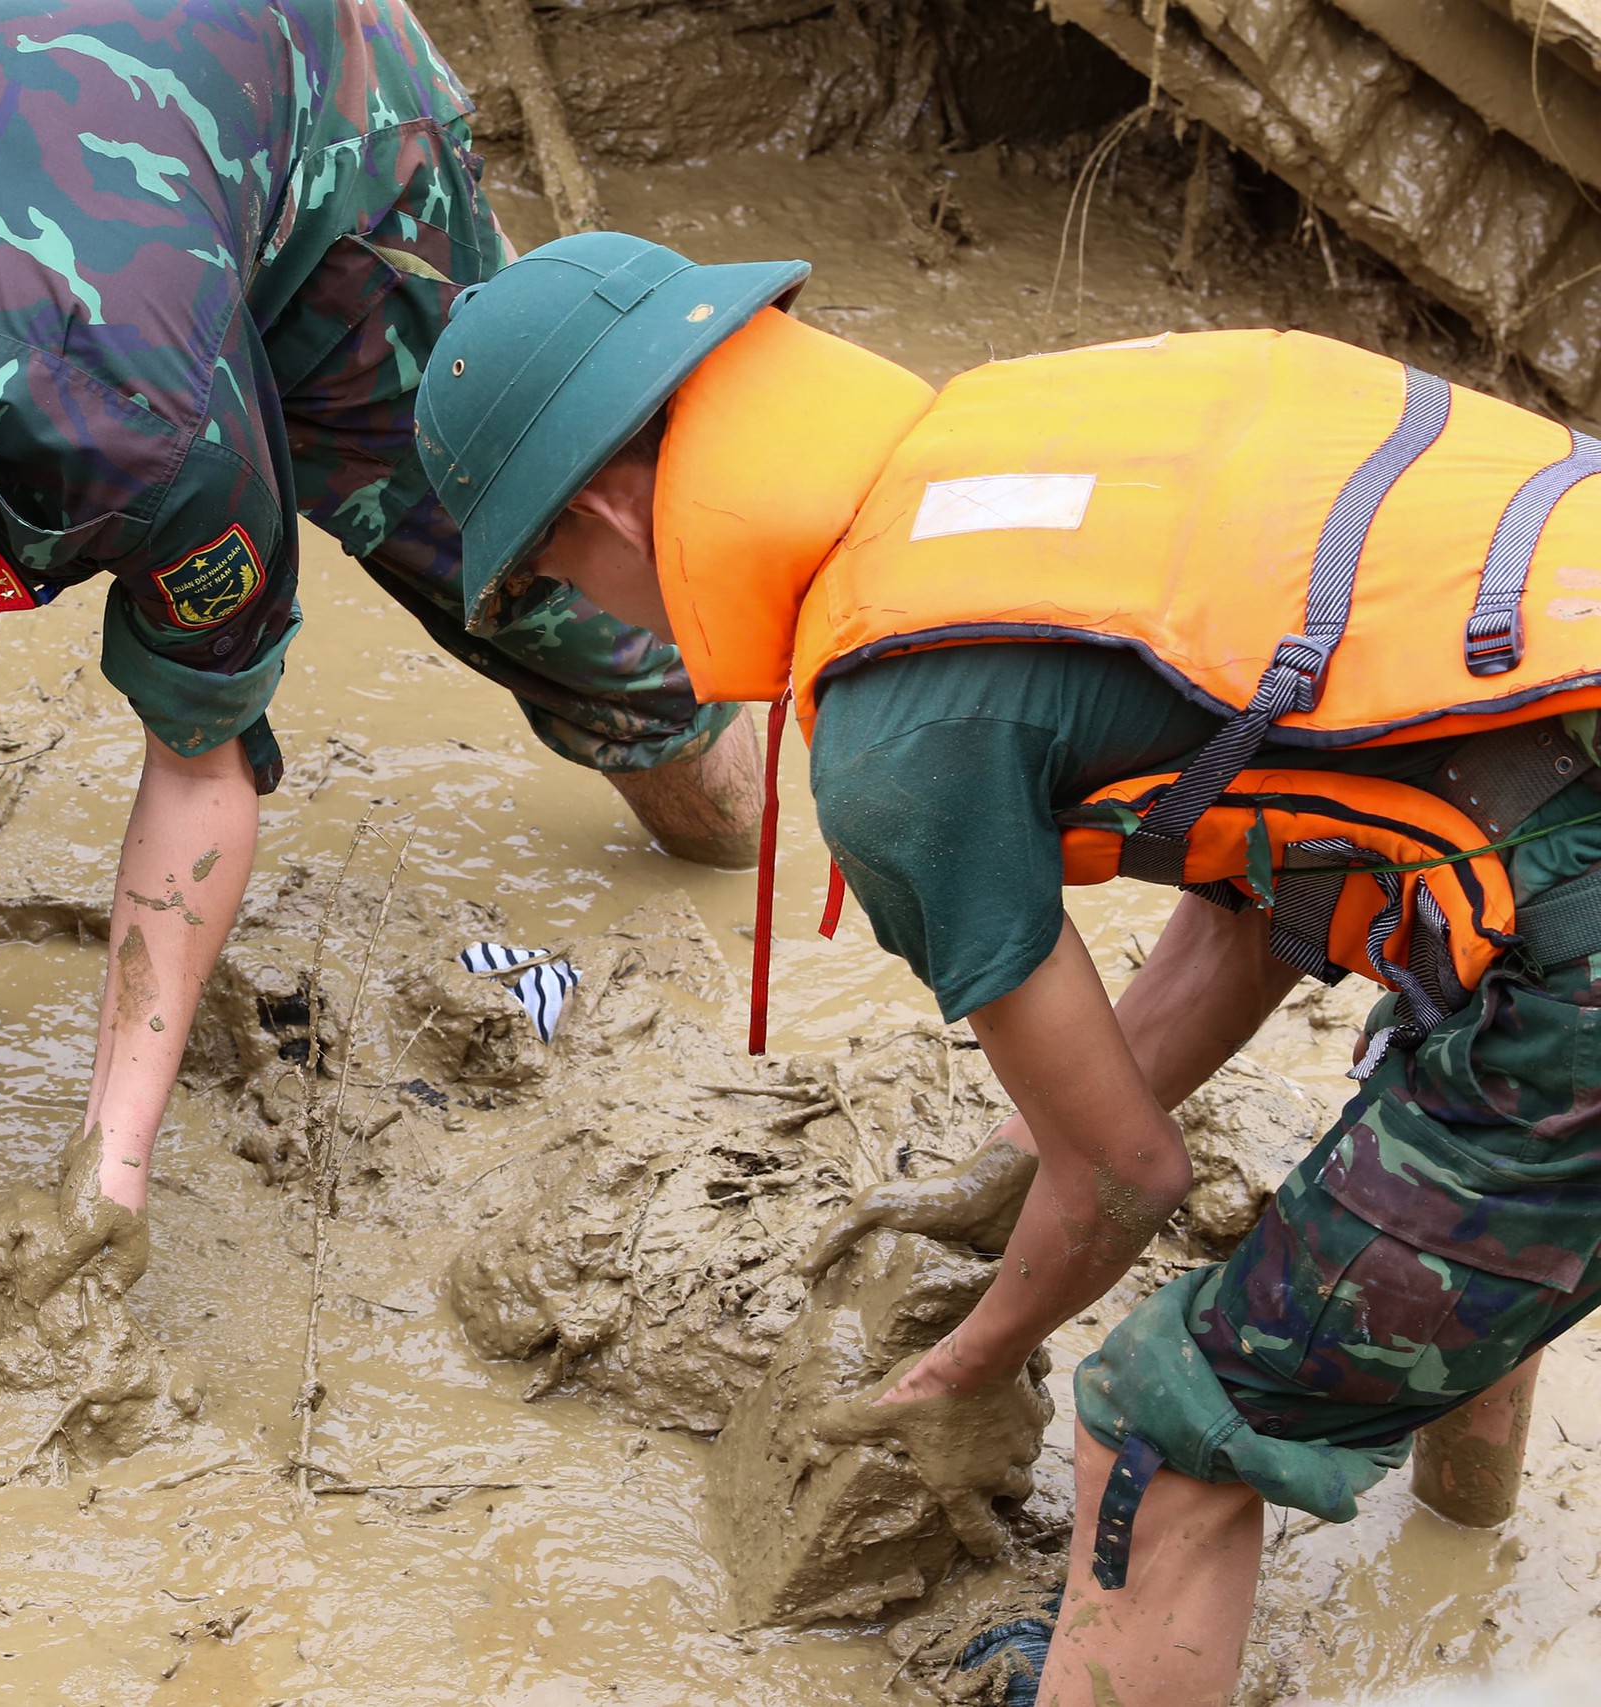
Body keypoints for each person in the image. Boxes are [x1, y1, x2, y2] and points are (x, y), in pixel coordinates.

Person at [416, 230, 1601, 1706]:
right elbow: (1265, 877)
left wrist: (963, 1368)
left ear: (602, 505)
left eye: (551, 578)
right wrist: (1014, 1144)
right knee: (1440, 1027)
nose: (594, 616)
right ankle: (1464, 1538)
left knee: (1162, 1423)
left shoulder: (896, 735)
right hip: (1561, 771)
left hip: (1584, 953)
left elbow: (1130, 1176)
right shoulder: (1026, 432)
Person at [0, 0, 762, 1222]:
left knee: (534, 568)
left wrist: (112, 1165)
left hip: (316, 120)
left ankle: (709, 789)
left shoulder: (147, 443)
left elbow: (200, 763)